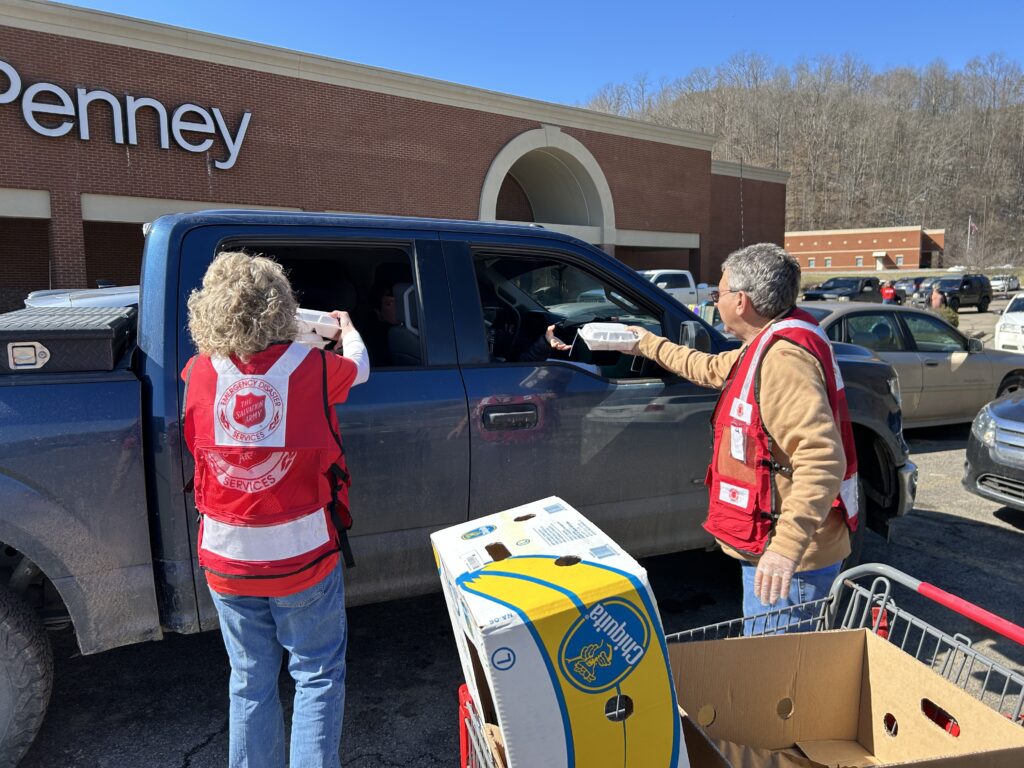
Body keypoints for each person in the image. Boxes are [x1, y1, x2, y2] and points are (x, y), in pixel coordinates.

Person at [181, 251, 370, 768]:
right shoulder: (312, 367)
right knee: (316, 674)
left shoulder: (197, 371)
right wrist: (343, 330)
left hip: (226, 556)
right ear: (282, 308)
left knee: (249, 683)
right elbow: (361, 369)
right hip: (302, 554)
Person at [626, 243, 858, 634]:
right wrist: (644, 343)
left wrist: (785, 549)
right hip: (772, 548)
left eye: (718, 294)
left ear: (741, 301)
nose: (715, 302)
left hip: (790, 564)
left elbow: (821, 459)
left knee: (779, 676)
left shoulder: (784, 362)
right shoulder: (768, 344)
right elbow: (712, 367)